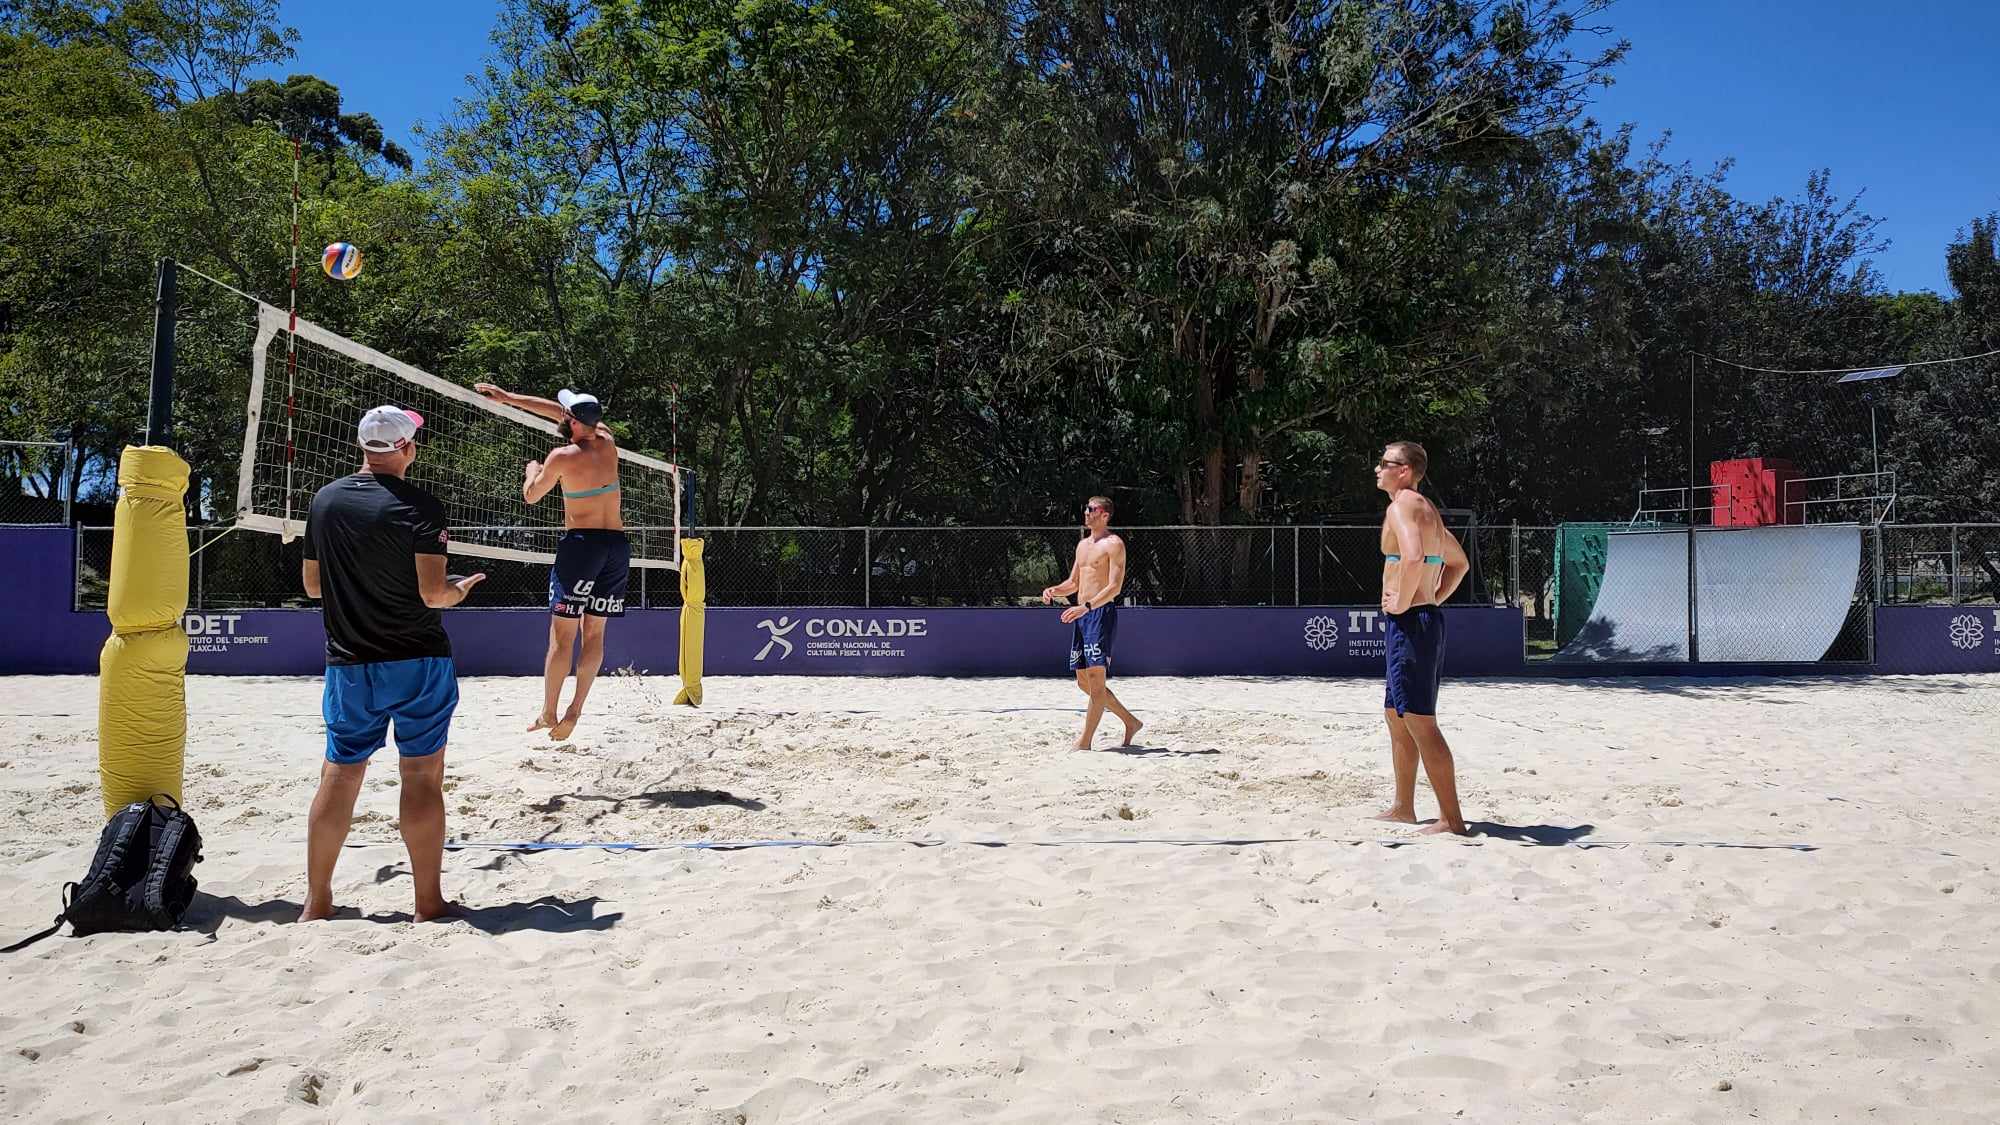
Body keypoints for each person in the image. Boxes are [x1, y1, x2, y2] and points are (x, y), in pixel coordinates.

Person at [299, 405, 485, 922]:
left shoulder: (325, 501)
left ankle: (317, 902)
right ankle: (427, 903)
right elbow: (432, 595)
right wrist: (459, 590)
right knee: (422, 777)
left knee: (339, 775)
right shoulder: (421, 505)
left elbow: (313, 586)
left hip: (350, 661)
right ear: (406, 449)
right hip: (417, 659)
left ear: (364, 447)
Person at [473, 382, 627, 741]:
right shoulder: (607, 441)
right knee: (595, 634)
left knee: (562, 638)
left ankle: (549, 712)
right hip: (616, 547)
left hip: (581, 547)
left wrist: (533, 469)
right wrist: (511, 398)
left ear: (572, 422)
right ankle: (575, 711)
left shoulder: (561, 456)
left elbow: (531, 496)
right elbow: (560, 414)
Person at [1370, 441, 1473, 835]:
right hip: (1420, 618)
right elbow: (1458, 563)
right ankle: (1403, 807)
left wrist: (1401, 602)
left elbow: (1412, 557)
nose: (1377, 469)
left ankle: (1451, 819)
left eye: (1386, 463)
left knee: (1420, 721)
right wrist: (1430, 598)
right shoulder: (1427, 510)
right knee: (1397, 717)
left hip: (1412, 622)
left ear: (1406, 470)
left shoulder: (1404, 506)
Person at [1041, 495, 1143, 749]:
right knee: (1083, 682)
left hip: (1099, 613)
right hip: (1082, 615)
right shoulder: (1083, 545)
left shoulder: (1114, 544)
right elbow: (1073, 583)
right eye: (1085, 509)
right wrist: (1053, 590)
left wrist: (1086, 606)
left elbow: (1114, 587)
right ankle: (1130, 721)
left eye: (1091, 509)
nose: (1086, 512)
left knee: (1097, 680)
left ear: (1105, 515)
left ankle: (1084, 742)